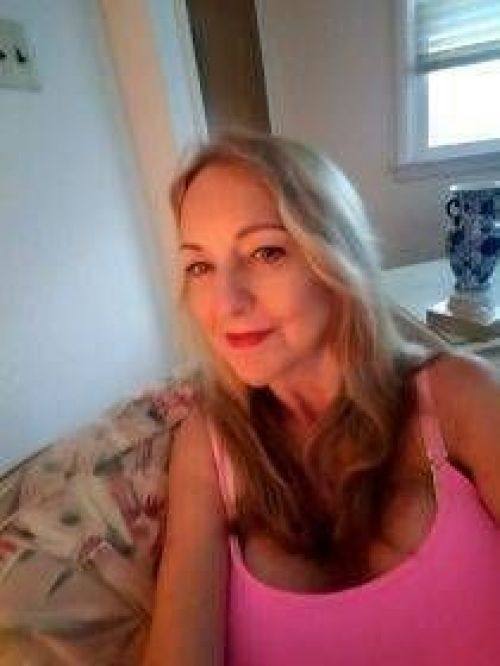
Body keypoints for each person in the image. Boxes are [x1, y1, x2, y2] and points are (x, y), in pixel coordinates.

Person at [142, 131, 500, 666]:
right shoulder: (208, 447)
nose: (226, 302)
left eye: (265, 252)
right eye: (200, 266)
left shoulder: (460, 397)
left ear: (336, 257)